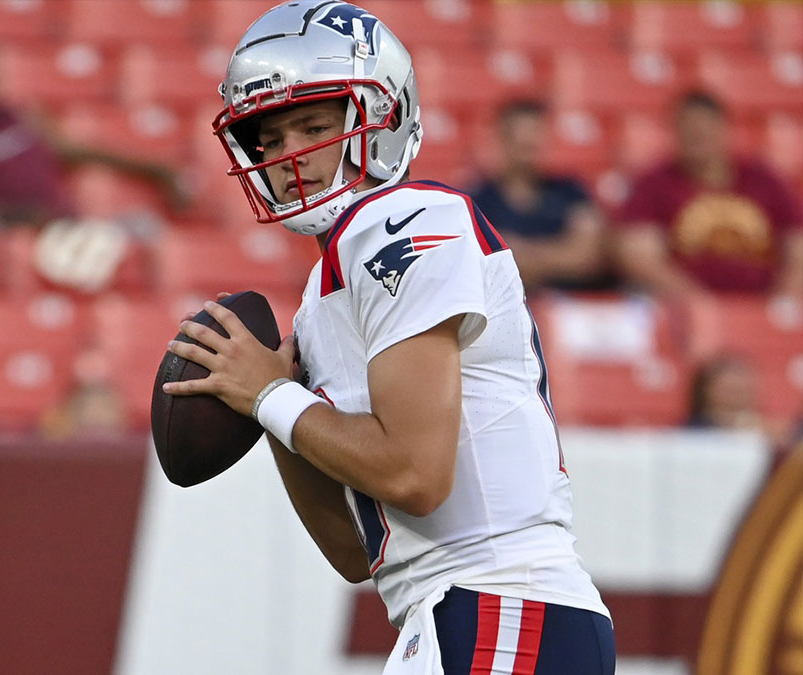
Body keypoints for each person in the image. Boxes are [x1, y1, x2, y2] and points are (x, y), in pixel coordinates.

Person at [161, 3, 614, 673]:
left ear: (382, 117)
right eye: (271, 140)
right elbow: (353, 552)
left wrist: (272, 400)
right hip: (441, 609)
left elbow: (415, 474)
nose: (291, 157)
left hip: (502, 597)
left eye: (313, 125)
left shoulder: (407, 217)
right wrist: (277, 403)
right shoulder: (325, 293)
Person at [0, 42, 187, 227]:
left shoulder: (19, 117)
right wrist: (18, 216)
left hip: (57, 226)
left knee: (142, 227)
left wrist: (156, 170)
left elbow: (78, 151)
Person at [617, 91, 803, 300]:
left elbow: (797, 246)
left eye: (704, 130)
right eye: (689, 130)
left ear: (724, 129)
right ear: (675, 132)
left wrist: (781, 302)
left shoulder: (765, 180)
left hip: (762, 304)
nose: (697, 137)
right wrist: (699, 304)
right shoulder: (652, 184)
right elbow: (639, 256)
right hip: (683, 307)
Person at [469, 99, 610, 292]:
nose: (530, 143)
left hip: (570, 308)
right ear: (503, 140)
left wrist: (522, 253)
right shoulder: (477, 201)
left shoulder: (571, 191)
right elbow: (481, 263)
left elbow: (588, 256)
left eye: (536, 135)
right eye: (521, 138)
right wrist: (560, 251)